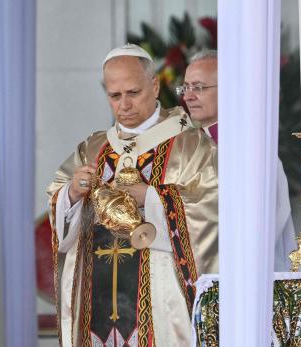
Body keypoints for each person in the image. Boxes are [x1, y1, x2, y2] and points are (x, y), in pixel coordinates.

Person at [48, 44, 217, 346]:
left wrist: (151, 198)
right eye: (115, 96)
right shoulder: (93, 148)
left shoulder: (191, 145)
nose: (124, 104)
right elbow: (59, 208)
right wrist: (72, 194)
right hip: (96, 301)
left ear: (154, 85)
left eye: (133, 93)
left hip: (162, 307)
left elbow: (212, 211)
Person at [181, 49, 296, 271]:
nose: (187, 96)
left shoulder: (250, 151)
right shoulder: (184, 149)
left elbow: (262, 223)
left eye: (198, 88)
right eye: (185, 87)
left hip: (244, 273)